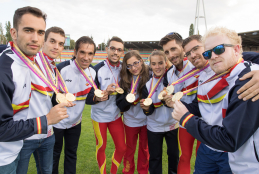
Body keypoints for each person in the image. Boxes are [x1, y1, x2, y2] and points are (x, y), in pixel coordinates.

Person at [172, 27, 259, 174]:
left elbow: (230, 139)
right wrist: (177, 105)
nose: (212, 56)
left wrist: (186, 119)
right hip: (208, 146)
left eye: (219, 49)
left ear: (237, 50)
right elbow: (201, 106)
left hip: (233, 153)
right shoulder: (206, 74)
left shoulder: (248, 78)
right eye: (208, 53)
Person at [0, 6, 71, 174]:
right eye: (28, 30)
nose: (35, 38)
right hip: (6, 155)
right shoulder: (6, 68)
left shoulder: (26, 62)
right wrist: (46, 120)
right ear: (14, 32)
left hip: (17, 145)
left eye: (40, 32)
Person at [52, 36, 97, 174]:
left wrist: (99, 98)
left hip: (75, 123)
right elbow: (50, 98)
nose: (86, 57)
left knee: (71, 155)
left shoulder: (92, 72)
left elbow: (87, 98)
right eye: (82, 52)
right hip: (56, 123)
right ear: (75, 52)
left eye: (90, 54)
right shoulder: (61, 69)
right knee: (54, 156)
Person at [159, 32, 201, 174]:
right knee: (184, 158)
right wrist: (166, 100)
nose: (171, 55)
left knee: (202, 158)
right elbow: (168, 101)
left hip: (206, 121)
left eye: (173, 49)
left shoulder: (198, 64)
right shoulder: (168, 74)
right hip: (184, 122)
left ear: (182, 47)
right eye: (167, 52)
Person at [86, 36, 127, 174]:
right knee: (101, 146)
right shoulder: (96, 69)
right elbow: (89, 96)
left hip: (115, 116)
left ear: (122, 52)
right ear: (107, 49)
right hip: (99, 117)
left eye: (119, 50)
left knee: (122, 147)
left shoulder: (124, 69)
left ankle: (113, 172)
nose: (116, 52)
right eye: (113, 48)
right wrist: (105, 92)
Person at [140, 50, 178, 174]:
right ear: (150, 65)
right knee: (155, 158)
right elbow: (149, 110)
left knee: (173, 157)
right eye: (154, 64)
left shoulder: (173, 81)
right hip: (154, 127)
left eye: (160, 63)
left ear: (166, 63)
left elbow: (176, 103)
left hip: (172, 125)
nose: (157, 67)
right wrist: (146, 109)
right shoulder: (146, 85)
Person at [116, 50, 150, 174]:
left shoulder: (149, 75)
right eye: (129, 66)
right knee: (129, 150)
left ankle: (143, 171)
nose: (133, 68)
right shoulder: (124, 80)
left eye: (136, 63)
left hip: (146, 121)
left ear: (141, 61)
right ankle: (128, 172)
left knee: (144, 150)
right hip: (130, 121)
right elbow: (120, 106)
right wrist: (128, 99)